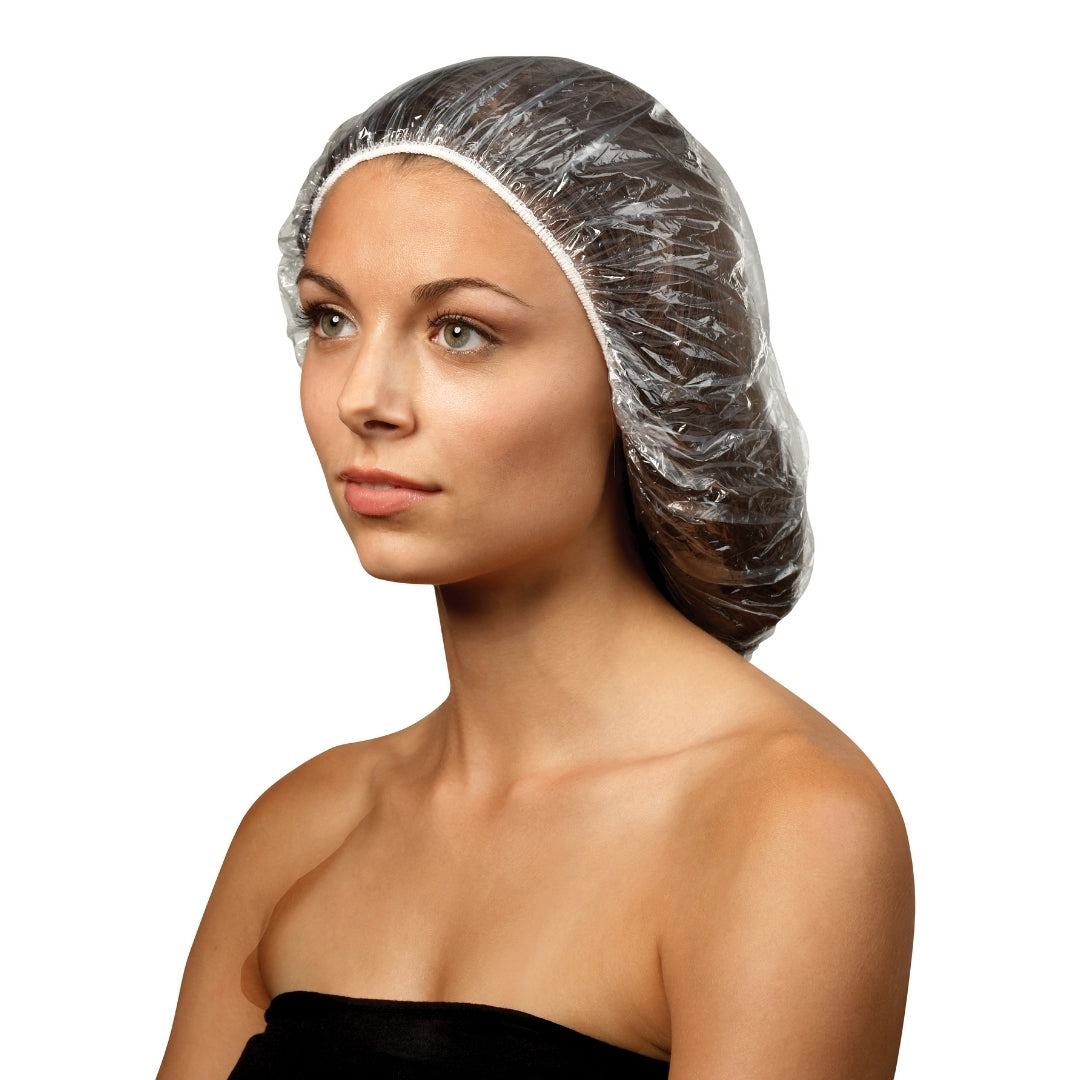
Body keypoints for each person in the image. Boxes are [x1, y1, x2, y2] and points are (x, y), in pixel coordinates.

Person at [157, 57, 914, 1079]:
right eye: (331, 319)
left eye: (460, 332)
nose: (362, 397)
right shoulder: (303, 826)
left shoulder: (781, 825)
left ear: (642, 363)